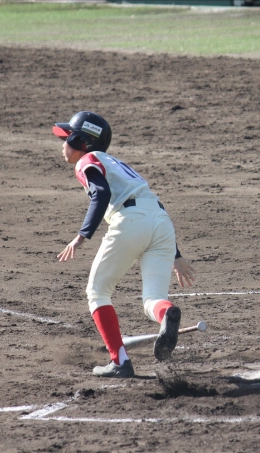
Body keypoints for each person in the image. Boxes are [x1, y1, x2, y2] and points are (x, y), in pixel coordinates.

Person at [53, 111, 196, 377]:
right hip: (161, 223)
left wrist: (82, 236)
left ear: (82, 141)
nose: (63, 145)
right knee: (153, 299)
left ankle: (119, 362)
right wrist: (175, 254)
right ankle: (167, 314)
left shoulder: (87, 160)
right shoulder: (116, 163)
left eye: (67, 138)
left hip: (131, 222)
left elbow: (101, 193)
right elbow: (150, 206)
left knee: (97, 291)